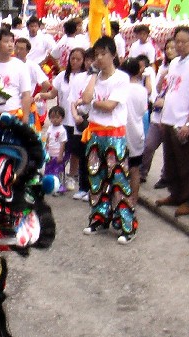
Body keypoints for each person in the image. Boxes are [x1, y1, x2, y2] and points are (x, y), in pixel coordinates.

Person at [77, 36, 137, 244]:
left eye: (104, 53)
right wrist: (93, 76)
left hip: (114, 136)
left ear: (113, 54)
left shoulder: (121, 78)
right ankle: (99, 218)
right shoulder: (93, 78)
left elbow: (109, 105)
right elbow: (84, 101)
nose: (100, 58)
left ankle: (127, 226)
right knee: (96, 179)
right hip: (95, 134)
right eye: (96, 54)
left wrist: (92, 102)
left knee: (119, 181)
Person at [156, 25, 189, 217]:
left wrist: (188, 122)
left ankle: (188, 199)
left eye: (183, 42)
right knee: (171, 160)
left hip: (183, 121)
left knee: (186, 163)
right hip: (169, 117)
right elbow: (169, 91)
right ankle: (175, 194)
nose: (179, 45)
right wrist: (162, 116)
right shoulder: (176, 62)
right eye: (176, 41)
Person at [37, 47, 86, 192]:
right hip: (63, 120)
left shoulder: (86, 77)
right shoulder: (63, 76)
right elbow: (52, 94)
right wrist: (41, 95)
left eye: (78, 59)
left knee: (76, 150)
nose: (75, 62)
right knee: (61, 148)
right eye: (72, 59)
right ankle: (58, 175)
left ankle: (72, 175)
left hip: (77, 120)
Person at [141, 38, 177, 187]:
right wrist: (163, 76)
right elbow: (157, 89)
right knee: (149, 145)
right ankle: (142, 172)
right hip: (157, 114)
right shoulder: (163, 68)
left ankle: (166, 176)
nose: (169, 51)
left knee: (169, 150)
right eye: (167, 48)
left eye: (172, 48)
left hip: (172, 116)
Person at [69, 48, 96, 201]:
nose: (89, 63)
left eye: (93, 60)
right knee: (81, 154)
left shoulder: (100, 78)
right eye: (88, 60)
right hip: (80, 122)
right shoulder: (79, 78)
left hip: (94, 123)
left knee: (93, 156)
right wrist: (75, 115)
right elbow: (73, 100)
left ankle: (93, 188)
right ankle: (83, 187)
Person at [120, 58, 148, 204]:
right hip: (137, 132)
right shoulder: (142, 90)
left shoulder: (119, 87)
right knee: (135, 169)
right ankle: (133, 199)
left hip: (120, 133)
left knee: (119, 169)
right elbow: (144, 111)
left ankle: (119, 199)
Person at [44, 106, 67, 194]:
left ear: (62, 118)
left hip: (57, 154)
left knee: (58, 171)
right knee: (49, 170)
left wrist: (60, 155)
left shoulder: (62, 130)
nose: (55, 120)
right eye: (52, 117)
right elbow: (48, 138)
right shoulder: (50, 128)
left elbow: (62, 143)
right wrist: (46, 146)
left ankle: (59, 187)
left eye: (57, 117)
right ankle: (49, 187)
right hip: (50, 153)